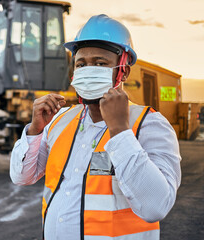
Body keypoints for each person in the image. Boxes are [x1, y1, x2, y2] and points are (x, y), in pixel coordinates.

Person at [10, 14, 181, 240]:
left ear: (123, 71)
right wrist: (35, 130)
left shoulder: (149, 125)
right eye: (81, 64)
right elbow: (22, 177)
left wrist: (120, 132)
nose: (88, 70)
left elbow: (156, 206)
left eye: (100, 63)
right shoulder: (61, 121)